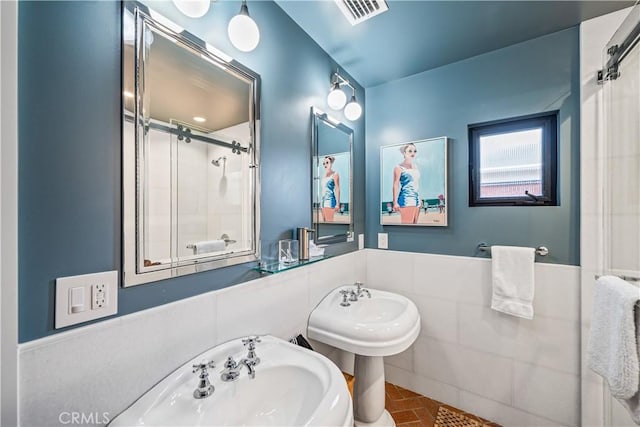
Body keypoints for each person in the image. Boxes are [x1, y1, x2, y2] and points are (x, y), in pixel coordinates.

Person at [392, 143, 421, 224]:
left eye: (415, 151)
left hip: (417, 199)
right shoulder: (399, 168)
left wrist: (419, 198)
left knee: (415, 226)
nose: (413, 153)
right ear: (404, 153)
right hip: (407, 198)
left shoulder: (415, 166)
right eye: (410, 151)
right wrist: (395, 202)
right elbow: (395, 184)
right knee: (407, 225)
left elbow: (415, 183)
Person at [321, 156, 340, 222]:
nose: (325, 165)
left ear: (331, 163)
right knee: (324, 223)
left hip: (330, 200)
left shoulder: (335, 174)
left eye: (327, 163)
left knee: (329, 222)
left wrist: (337, 204)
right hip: (322, 201)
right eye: (324, 163)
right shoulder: (324, 175)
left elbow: (337, 188)